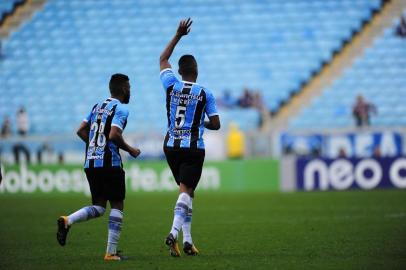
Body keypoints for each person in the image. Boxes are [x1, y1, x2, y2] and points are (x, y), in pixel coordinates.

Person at [56, 74, 141, 261]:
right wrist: (131, 150)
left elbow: (80, 130)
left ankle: (67, 220)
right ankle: (110, 252)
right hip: (110, 163)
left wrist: (95, 146)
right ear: (124, 89)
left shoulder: (96, 107)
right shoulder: (121, 109)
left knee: (100, 207)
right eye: (130, 88)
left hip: (91, 163)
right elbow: (114, 135)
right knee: (117, 204)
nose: (130, 91)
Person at [159, 18, 220, 257]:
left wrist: (178, 35)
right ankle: (173, 234)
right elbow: (215, 124)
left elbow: (163, 59)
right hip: (193, 148)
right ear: (196, 71)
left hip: (170, 146)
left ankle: (188, 241)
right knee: (186, 190)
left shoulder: (170, 85)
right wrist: (199, 122)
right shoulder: (205, 92)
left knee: (187, 191)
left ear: (180, 71)